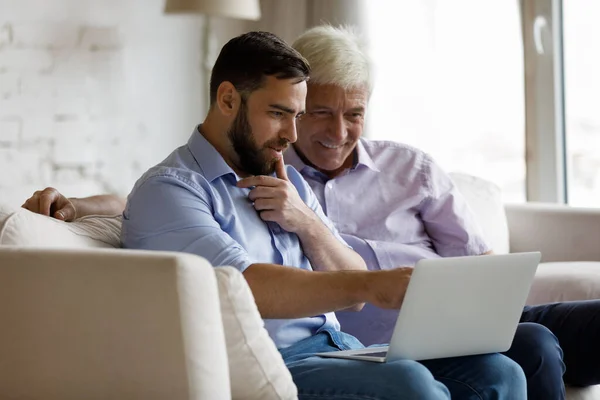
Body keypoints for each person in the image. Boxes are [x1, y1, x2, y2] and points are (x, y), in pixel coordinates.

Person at [23, 30, 532, 399]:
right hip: (274, 362)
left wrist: (314, 234)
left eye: (296, 113)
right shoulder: (173, 189)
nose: (293, 134)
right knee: (411, 385)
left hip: (338, 345)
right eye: (279, 113)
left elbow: (351, 285)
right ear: (227, 99)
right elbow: (243, 286)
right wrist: (372, 286)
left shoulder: (277, 175)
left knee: (500, 374)